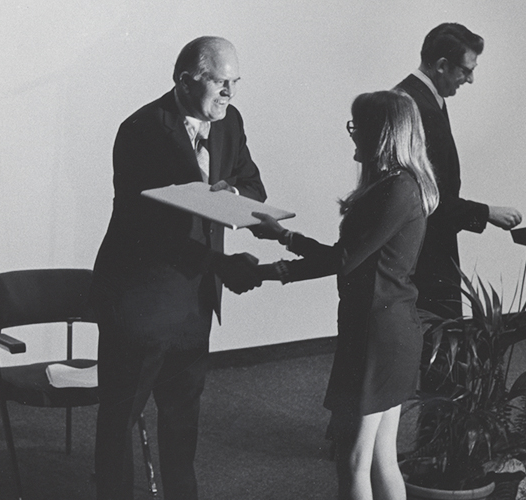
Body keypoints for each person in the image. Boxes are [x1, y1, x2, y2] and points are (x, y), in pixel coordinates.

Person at [90, 36, 266, 500]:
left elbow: (252, 185)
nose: (230, 94)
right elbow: (145, 225)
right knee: (119, 418)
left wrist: (230, 196)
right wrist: (221, 261)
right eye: (220, 82)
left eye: (235, 83)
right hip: (141, 301)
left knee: (182, 417)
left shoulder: (230, 122)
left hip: (196, 300)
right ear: (186, 80)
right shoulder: (141, 129)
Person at [249, 90, 439, 500]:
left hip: (376, 333)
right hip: (388, 328)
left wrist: (280, 247)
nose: (353, 136)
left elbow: (343, 259)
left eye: (359, 127)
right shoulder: (403, 186)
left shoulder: (396, 190)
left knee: (353, 460)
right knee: (381, 457)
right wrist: (280, 249)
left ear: (382, 134)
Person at [395, 22, 522, 319]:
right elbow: (422, 197)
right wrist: (486, 212)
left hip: (425, 244)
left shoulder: (420, 98)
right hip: (421, 252)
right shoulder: (415, 106)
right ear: (441, 65)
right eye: (465, 70)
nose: (471, 79)